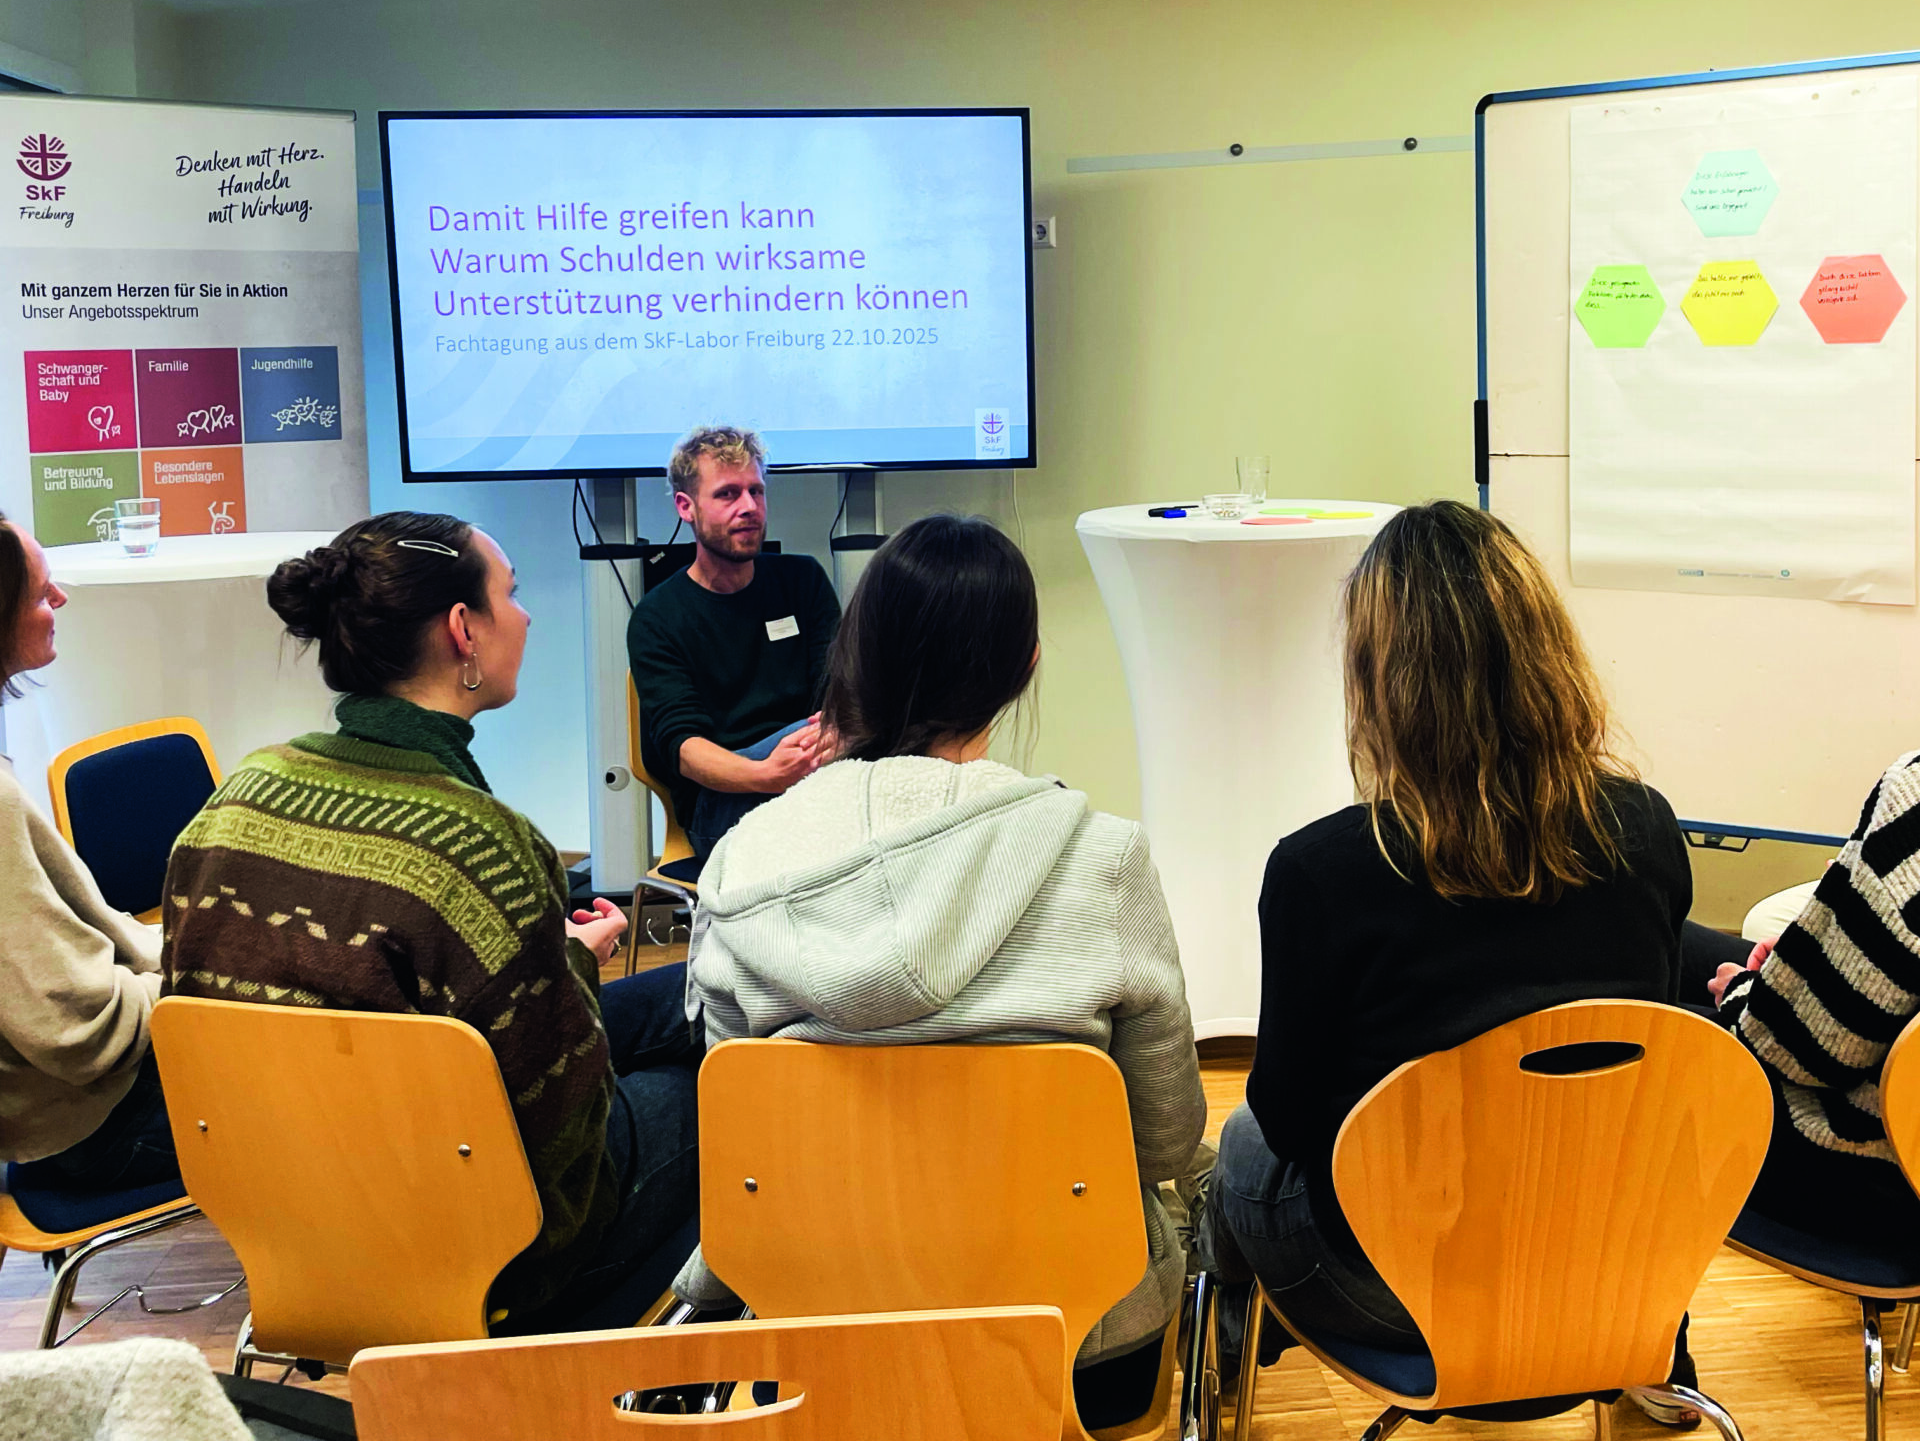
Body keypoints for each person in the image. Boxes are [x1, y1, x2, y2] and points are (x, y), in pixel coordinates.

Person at [675, 512, 1206, 1430]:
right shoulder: (1103, 859)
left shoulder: (742, 865)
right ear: (1024, 667)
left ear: (853, 659)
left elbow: (736, 1137)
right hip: (1080, 1343)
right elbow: (1162, 1144)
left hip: (815, 1343)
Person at [1197, 500, 1694, 1407]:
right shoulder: (1646, 830)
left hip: (1396, 1289)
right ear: (1547, 654)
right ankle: (1652, 1360)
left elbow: (1292, 1122)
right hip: (1607, 1270)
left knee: (1238, 1142)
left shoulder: (1320, 870)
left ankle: (1222, 1351)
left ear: (1377, 677)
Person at [163, 512, 700, 1334]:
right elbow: (561, 1123)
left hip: (294, 1225)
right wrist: (568, 967)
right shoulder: (481, 846)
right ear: (463, 631)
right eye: (511, 594)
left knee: (684, 997)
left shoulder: (233, 800)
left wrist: (544, 960)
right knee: (716, 1080)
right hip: (491, 1255)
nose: (526, 616)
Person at [0, 514, 178, 1195]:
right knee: (330, 1097)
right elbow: (73, 1029)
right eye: (40, 592)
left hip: (57, 1113)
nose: (61, 598)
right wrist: (195, 985)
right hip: (89, 1130)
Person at [1706, 750, 1920, 1251]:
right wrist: (1811, 950)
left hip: (1871, 1176)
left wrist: (1739, 991)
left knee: (1653, 1033)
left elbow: (1808, 1055)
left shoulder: (1913, 797)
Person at [626, 426, 841, 862]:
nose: (749, 507)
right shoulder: (657, 617)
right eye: (728, 494)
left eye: (756, 492)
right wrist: (767, 774)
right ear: (686, 507)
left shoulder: (802, 581)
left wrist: (829, 742)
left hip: (812, 776)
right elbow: (685, 749)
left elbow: (839, 692)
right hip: (722, 801)